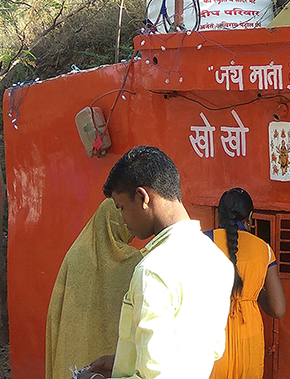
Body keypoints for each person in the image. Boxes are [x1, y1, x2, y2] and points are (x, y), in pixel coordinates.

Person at [78, 146, 234, 379]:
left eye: (121, 208)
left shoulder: (153, 270)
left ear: (143, 197)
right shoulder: (218, 260)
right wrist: (123, 361)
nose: (122, 219)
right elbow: (196, 353)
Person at [45, 198, 142, 379]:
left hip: (74, 346)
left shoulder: (74, 255)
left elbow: (56, 310)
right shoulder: (135, 262)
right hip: (115, 357)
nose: (125, 222)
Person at [207, 188, 286, 379]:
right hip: (249, 339)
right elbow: (278, 309)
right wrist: (252, 289)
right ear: (250, 217)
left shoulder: (203, 242)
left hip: (211, 338)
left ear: (219, 216)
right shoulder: (263, 250)